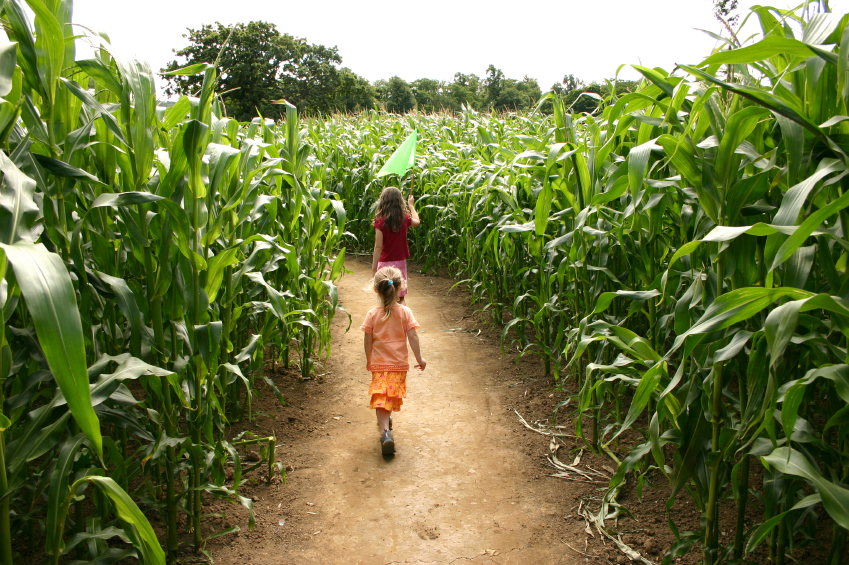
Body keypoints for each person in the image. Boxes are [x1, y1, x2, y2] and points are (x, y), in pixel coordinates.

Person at [361, 266, 426, 455]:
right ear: (400, 288)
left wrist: (368, 359)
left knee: (381, 397)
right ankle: (386, 429)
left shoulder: (372, 314)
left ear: (376, 289)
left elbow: (368, 339)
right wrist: (419, 358)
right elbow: (413, 336)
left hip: (380, 364)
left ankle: (385, 433)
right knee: (388, 396)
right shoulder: (405, 312)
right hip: (398, 366)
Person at [371, 186, 420, 304]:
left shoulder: (380, 221)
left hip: (384, 263)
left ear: (383, 201)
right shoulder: (404, 218)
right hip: (400, 262)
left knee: (385, 295)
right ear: (399, 201)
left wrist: (374, 268)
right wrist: (411, 206)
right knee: (400, 296)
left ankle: (386, 321)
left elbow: (378, 246)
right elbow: (417, 222)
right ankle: (403, 319)